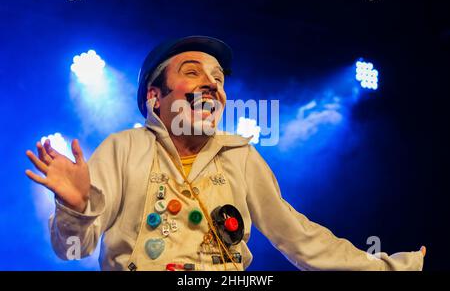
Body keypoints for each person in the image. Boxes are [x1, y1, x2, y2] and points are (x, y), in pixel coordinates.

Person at [25, 36, 426, 271]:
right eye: (193, 72)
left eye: (218, 79)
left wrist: (392, 267)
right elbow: (69, 249)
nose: (213, 85)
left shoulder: (239, 155)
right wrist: (75, 208)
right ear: (154, 97)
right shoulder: (123, 148)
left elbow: (302, 240)